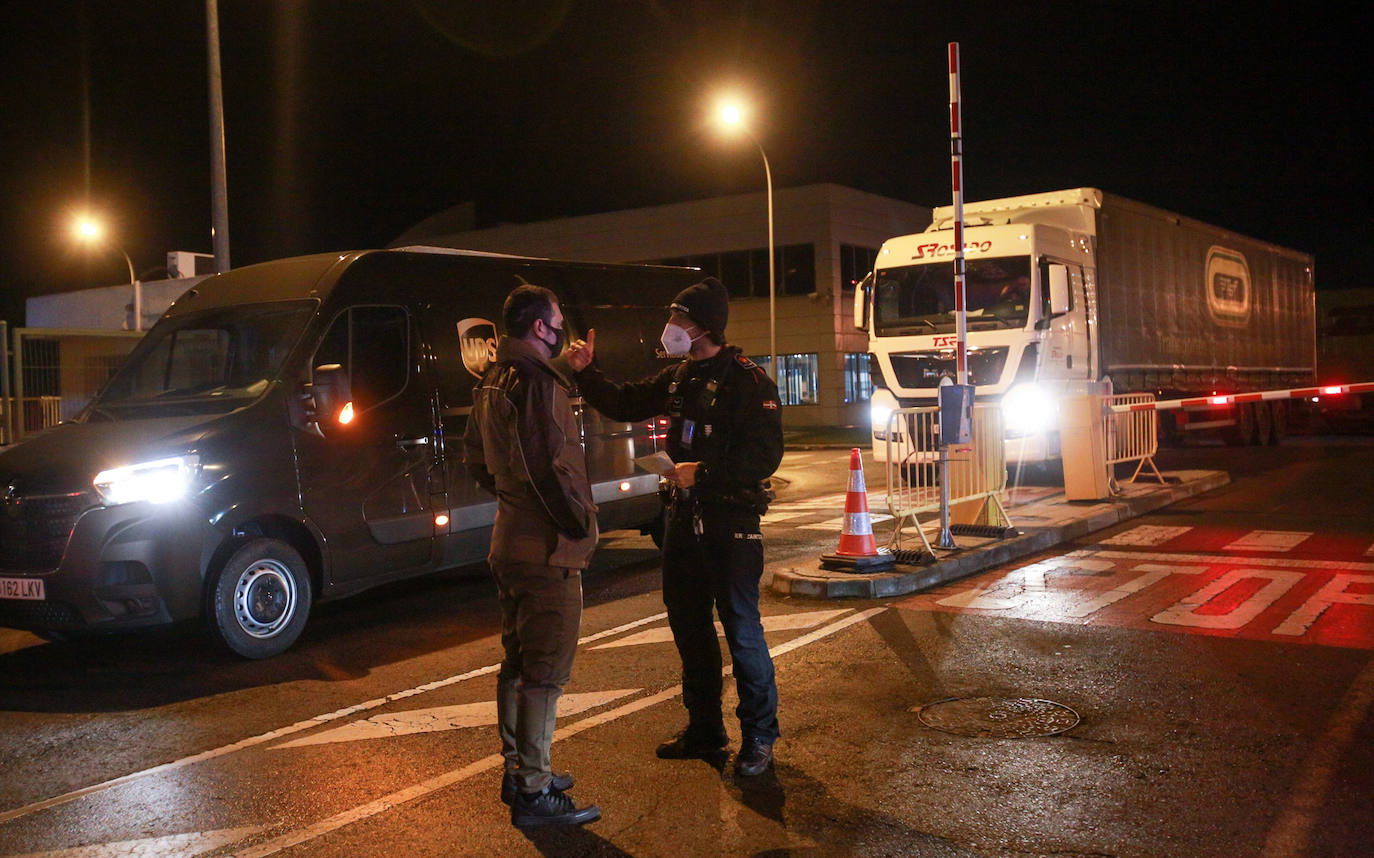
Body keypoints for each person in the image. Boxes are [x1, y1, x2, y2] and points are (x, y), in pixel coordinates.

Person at [564, 276, 784, 777]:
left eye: (680, 319)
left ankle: (759, 738)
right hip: (683, 520)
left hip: (731, 522)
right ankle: (705, 731)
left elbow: (765, 455)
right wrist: (586, 373)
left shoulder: (750, 381)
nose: (671, 327)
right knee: (689, 628)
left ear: (704, 326)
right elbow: (624, 402)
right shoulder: (680, 377)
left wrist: (703, 473)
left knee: (742, 630)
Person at [463, 284, 601, 827]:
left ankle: (519, 767)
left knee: (518, 663)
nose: (562, 327)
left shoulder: (494, 380)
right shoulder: (538, 386)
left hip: (509, 540)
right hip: (547, 549)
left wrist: (511, 498)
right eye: (558, 321)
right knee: (545, 673)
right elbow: (547, 469)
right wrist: (578, 523)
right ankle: (534, 792)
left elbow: (478, 460)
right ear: (541, 328)